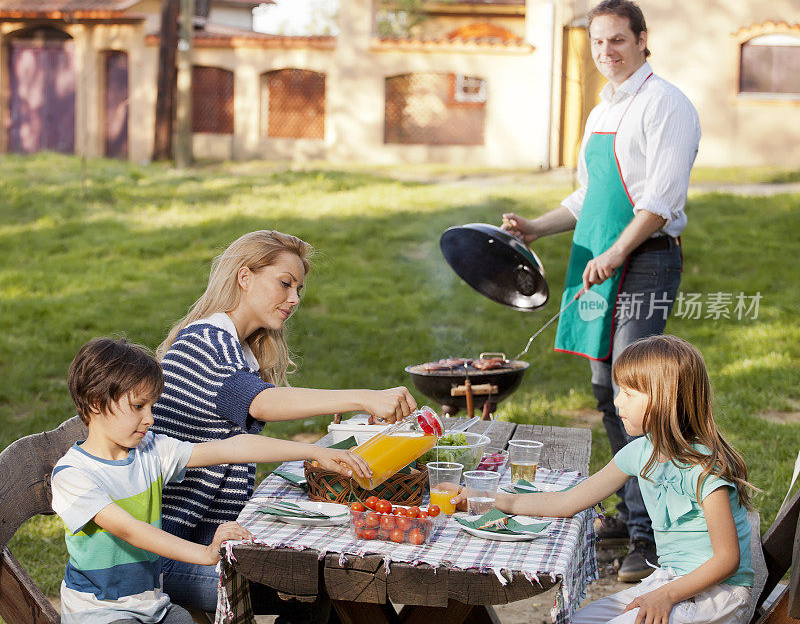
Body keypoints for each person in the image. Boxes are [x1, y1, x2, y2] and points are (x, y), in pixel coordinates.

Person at [502, 0, 701, 581]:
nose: (606, 51)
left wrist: (617, 253)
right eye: (597, 42)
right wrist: (536, 228)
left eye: (618, 39)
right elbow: (588, 196)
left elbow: (659, 203)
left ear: (643, 40)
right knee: (604, 390)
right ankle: (630, 512)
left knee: (639, 395)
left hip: (644, 262)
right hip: (598, 261)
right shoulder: (600, 110)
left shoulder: (667, 104)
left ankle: (657, 536)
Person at [150, 229, 417, 616]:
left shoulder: (239, 350)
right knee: (319, 583)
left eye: (298, 290)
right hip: (172, 552)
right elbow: (259, 402)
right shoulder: (203, 342)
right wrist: (361, 396)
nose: (293, 299)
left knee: (328, 571)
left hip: (212, 539)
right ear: (245, 277)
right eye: (284, 284)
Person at [51, 337, 370, 624]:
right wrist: (204, 554)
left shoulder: (152, 451)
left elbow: (234, 447)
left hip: (152, 607)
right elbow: (132, 531)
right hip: (100, 614)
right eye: (138, 406)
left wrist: (313, 451)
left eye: (151, 406)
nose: (150, 418)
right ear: (95, 402)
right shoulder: (74, 475)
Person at [452, 335, 755, 623]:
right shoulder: (639, 453)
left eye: (628, 393)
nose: (618, 402)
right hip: (674, 583)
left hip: (718, 596)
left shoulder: (703, 468)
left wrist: (666, 595)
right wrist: (488, 499)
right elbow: (568, 501)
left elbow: (727, 559)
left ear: (664, 400)